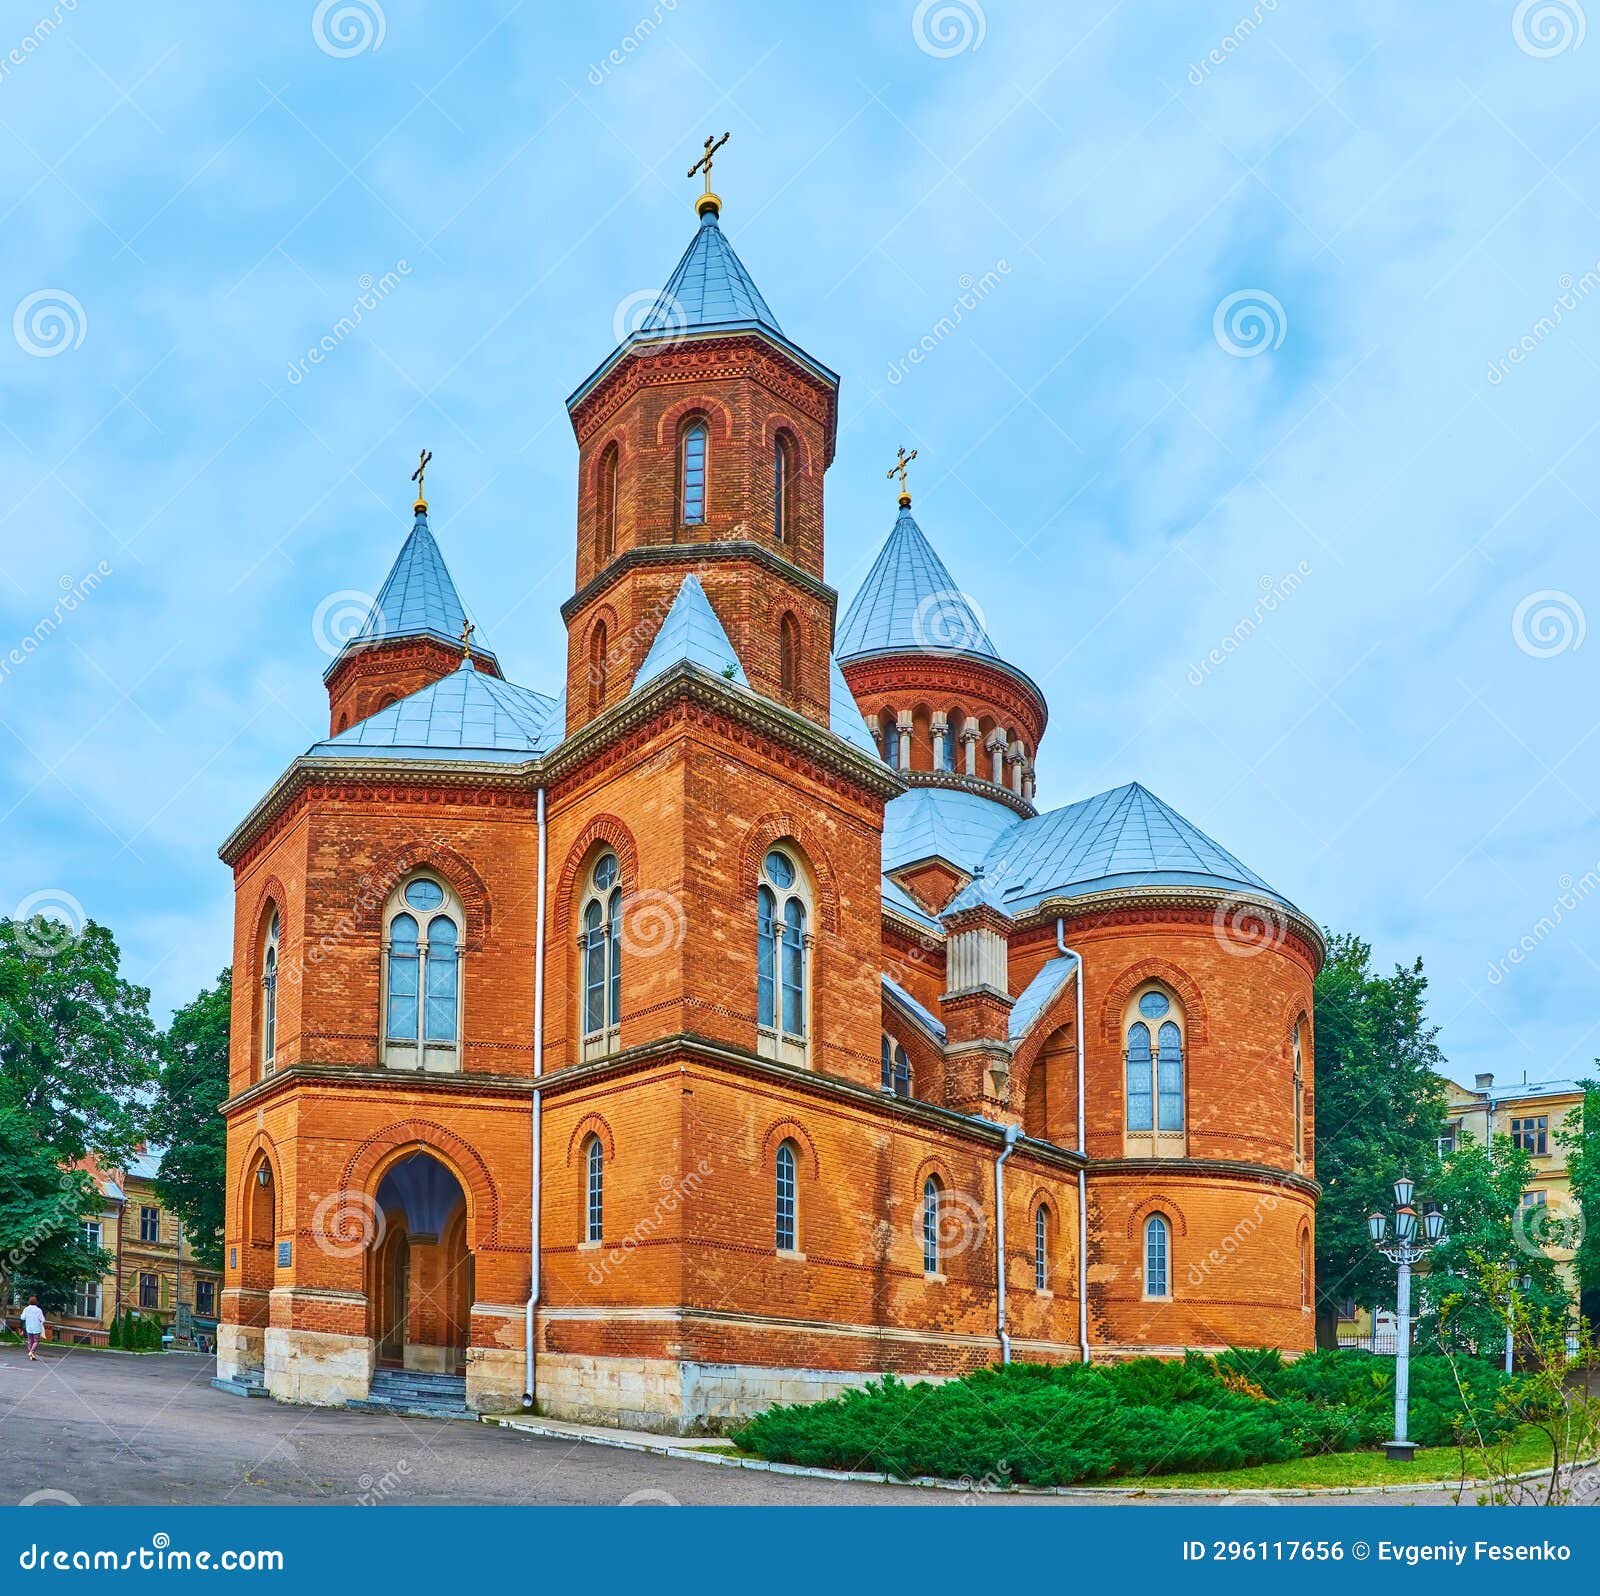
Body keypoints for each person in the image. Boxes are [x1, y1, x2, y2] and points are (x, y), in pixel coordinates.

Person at [21, 1297, 44, 1361]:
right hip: (36, 1328)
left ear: (29, 1302)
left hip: (29, 1327)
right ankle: (31, 1352)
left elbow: (22, 1318)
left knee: (30, 1341)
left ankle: (32, 1355)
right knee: (36, 1341)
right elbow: (43, 1319)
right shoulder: (38, 1310)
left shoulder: (26, 1309)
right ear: (36, 1302)